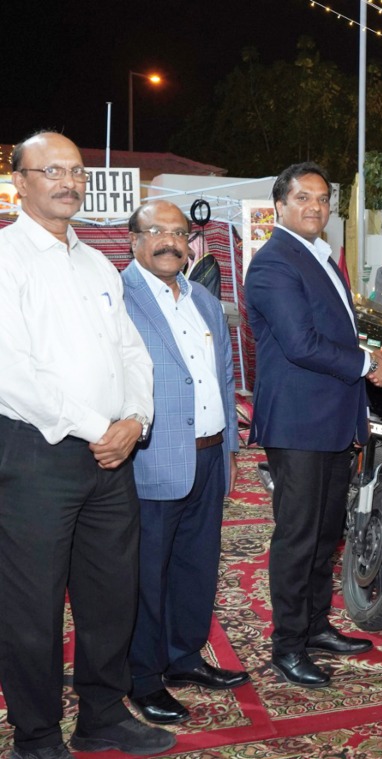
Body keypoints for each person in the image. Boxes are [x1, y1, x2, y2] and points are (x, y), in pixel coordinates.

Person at [0, 131, 172, 759]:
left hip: (111, 457)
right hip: (35, 457)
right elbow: (13, 370)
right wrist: (98, 426)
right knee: (31, 606)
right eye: (52, 171)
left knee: (110, 595)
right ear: (20, 182)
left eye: (75, 171)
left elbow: (133, 355)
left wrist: (136, 421)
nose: (68, 182)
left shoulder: (98, 264)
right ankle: (36, 739)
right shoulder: (8, 257)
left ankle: (101, 716)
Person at [244, 162, 382, 688]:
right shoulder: (273, 263)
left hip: (332, 419)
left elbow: (336, 331)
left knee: (326, 533)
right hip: (299, 422)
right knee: (297, 537)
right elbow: (301, 343)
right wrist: (366, 364)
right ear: (280, 205)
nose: (315, 207)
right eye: (303, 197)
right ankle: (287, 645)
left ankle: (314, 626)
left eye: (323, 200)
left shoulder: (319, 257)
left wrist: (367, 353)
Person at [122, 200, 250, 725]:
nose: (170, 241)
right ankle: (143, 677)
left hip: (208, 454)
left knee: (196, 566)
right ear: (134, 239)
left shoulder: (201, 297)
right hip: (151, 460)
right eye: (156, 231)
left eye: (178, 232)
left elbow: (221, 376)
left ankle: (183, 658)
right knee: (145, 575)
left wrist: (230, 449)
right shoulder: (117, 298)